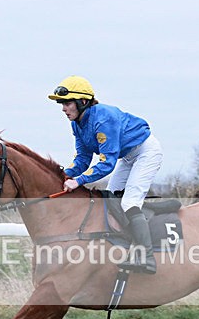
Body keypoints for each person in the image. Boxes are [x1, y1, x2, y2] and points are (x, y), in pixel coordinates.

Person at [48, 75, 163, 274]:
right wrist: (64, 175)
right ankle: (128, 244)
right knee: (110, 198)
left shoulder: (103, 118)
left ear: (83, 102)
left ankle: (147, 258)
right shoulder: (77, 124)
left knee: (129, 203)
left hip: (146, 152)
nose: (63, 109)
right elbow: (82, 158)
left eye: (67, 103)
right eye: (62, 104)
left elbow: (107, 163)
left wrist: (79, 181)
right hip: (127, 157)